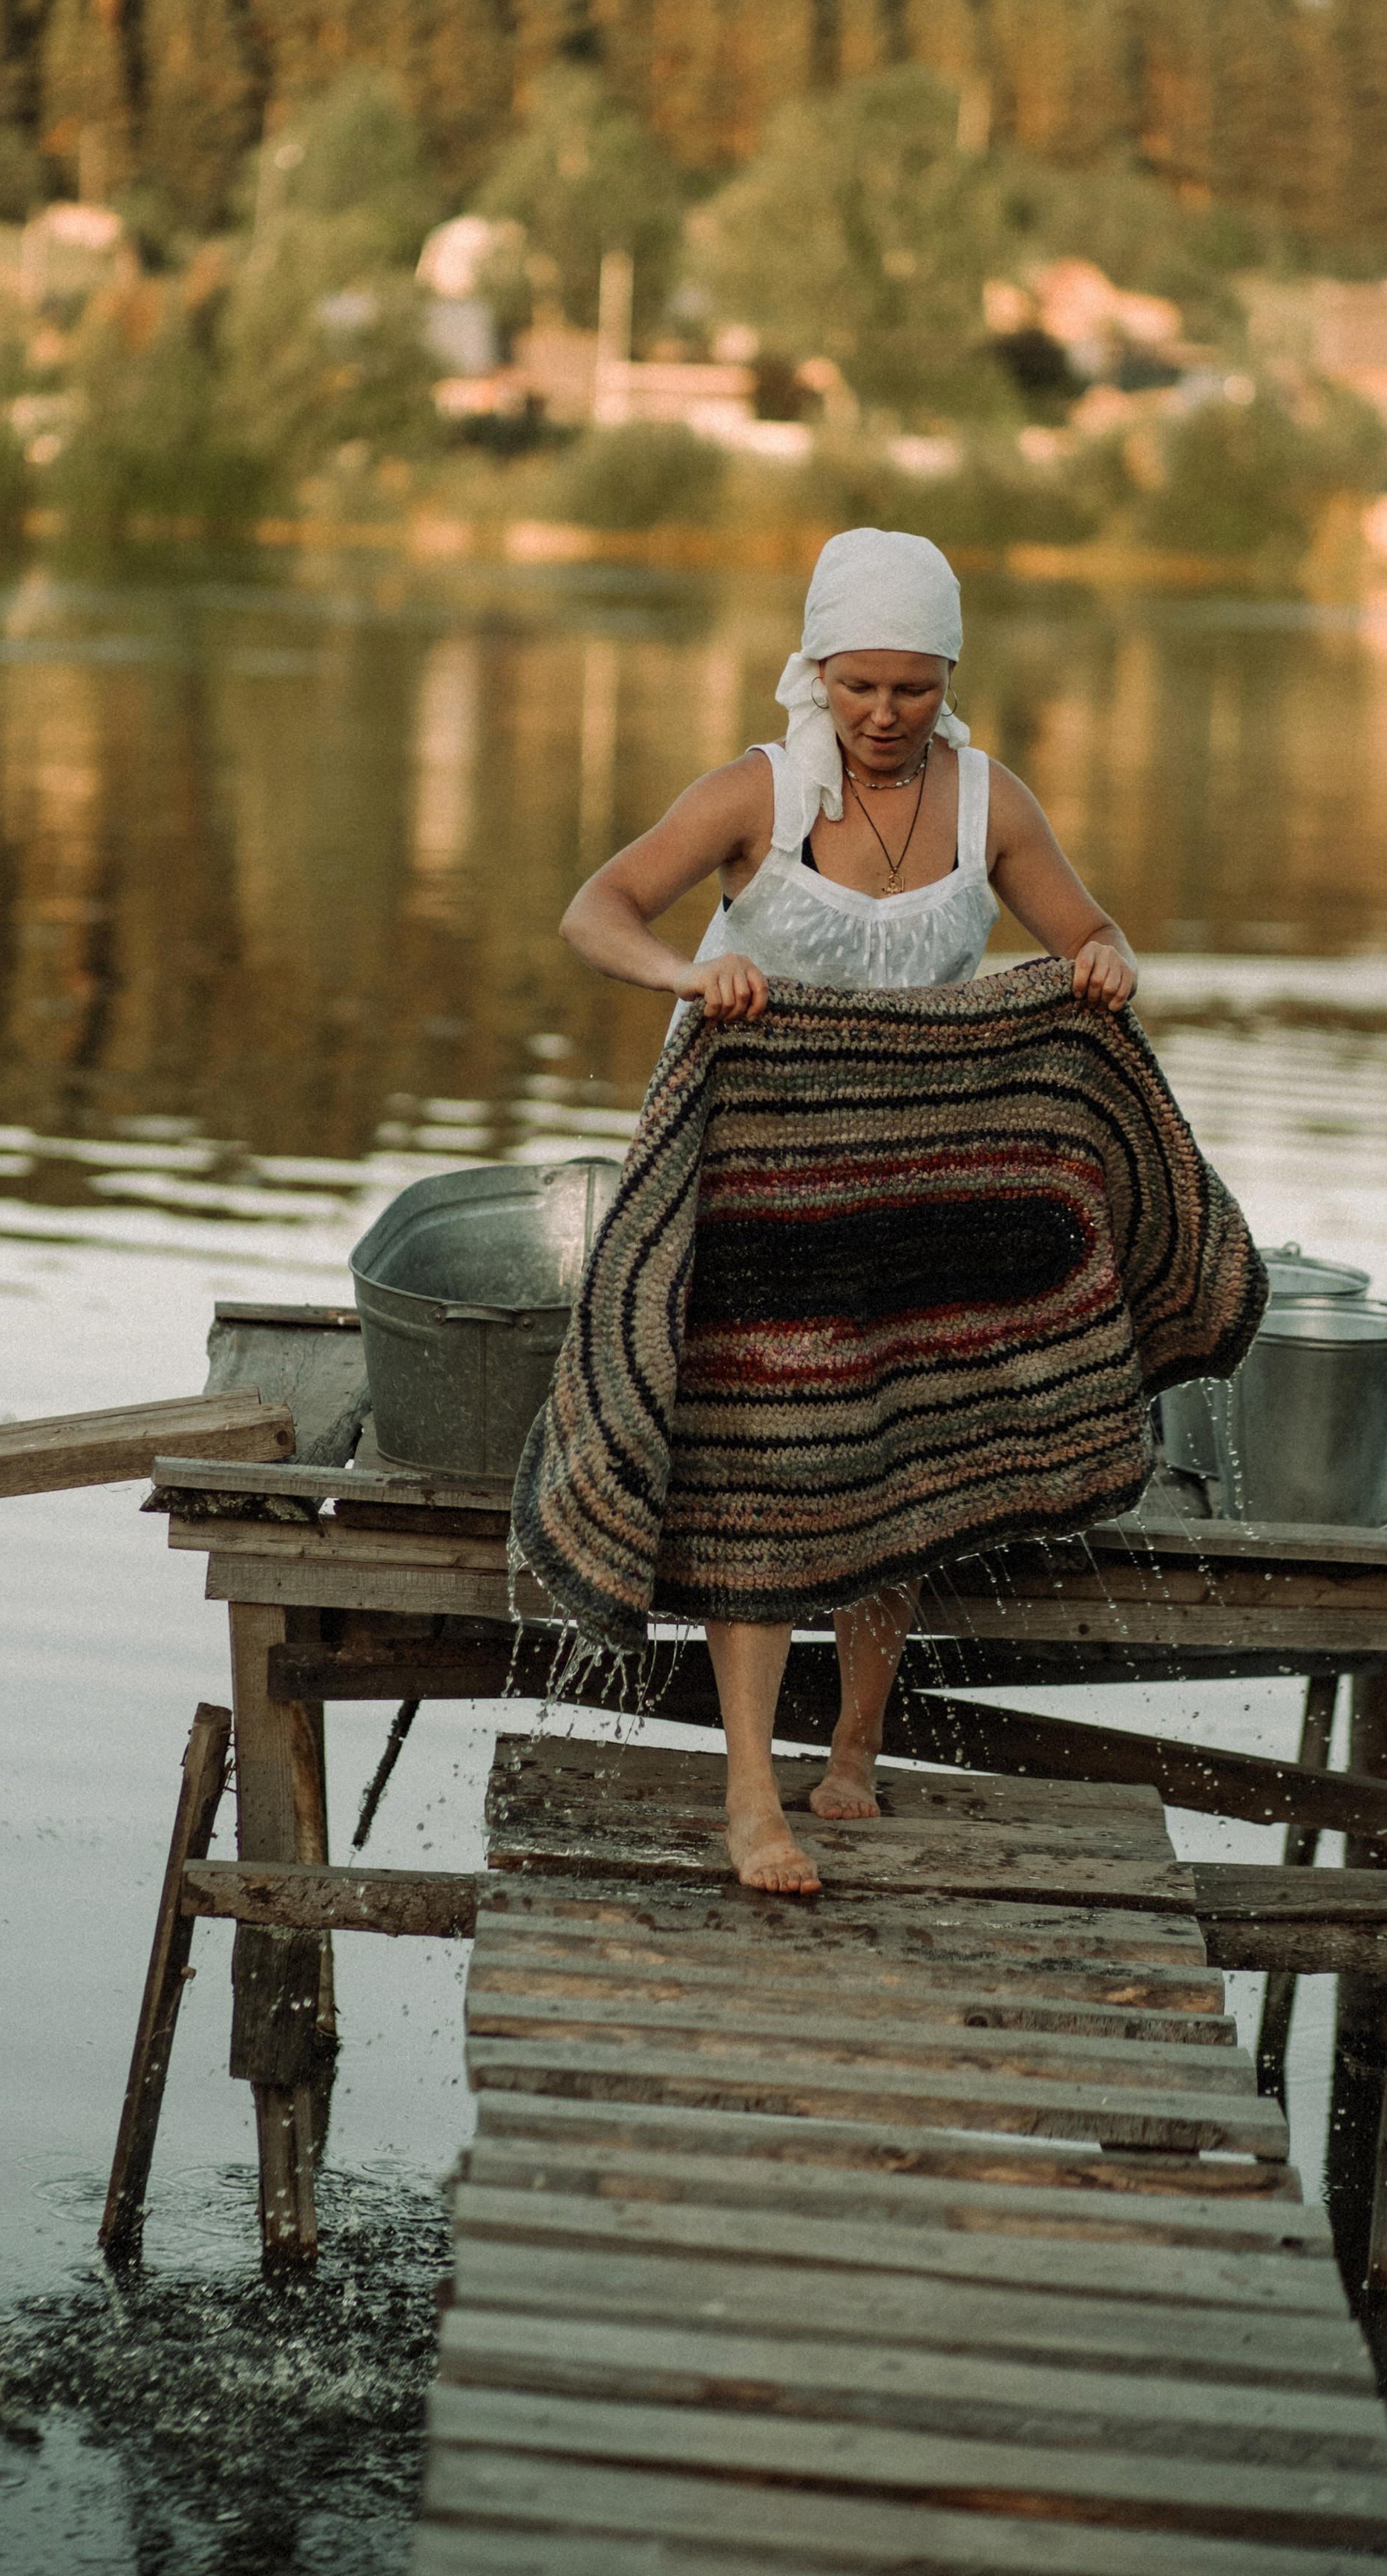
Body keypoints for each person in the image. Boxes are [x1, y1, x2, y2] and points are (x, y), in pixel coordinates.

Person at [558, 528, 1138, 1895]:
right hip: (755, 1171)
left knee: (902, 1437)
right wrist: (685, 978)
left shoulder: (995, 802)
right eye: (858, 686)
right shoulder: (751, 793)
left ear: (949, 679)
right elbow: (596, 911)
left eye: (913, 690)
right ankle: (753, 1792)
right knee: (763, 1456)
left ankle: (858, 1746)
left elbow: (1092, 939)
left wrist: (1107, 960)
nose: (883, 717)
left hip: (918, 1166)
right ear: (813, 670)